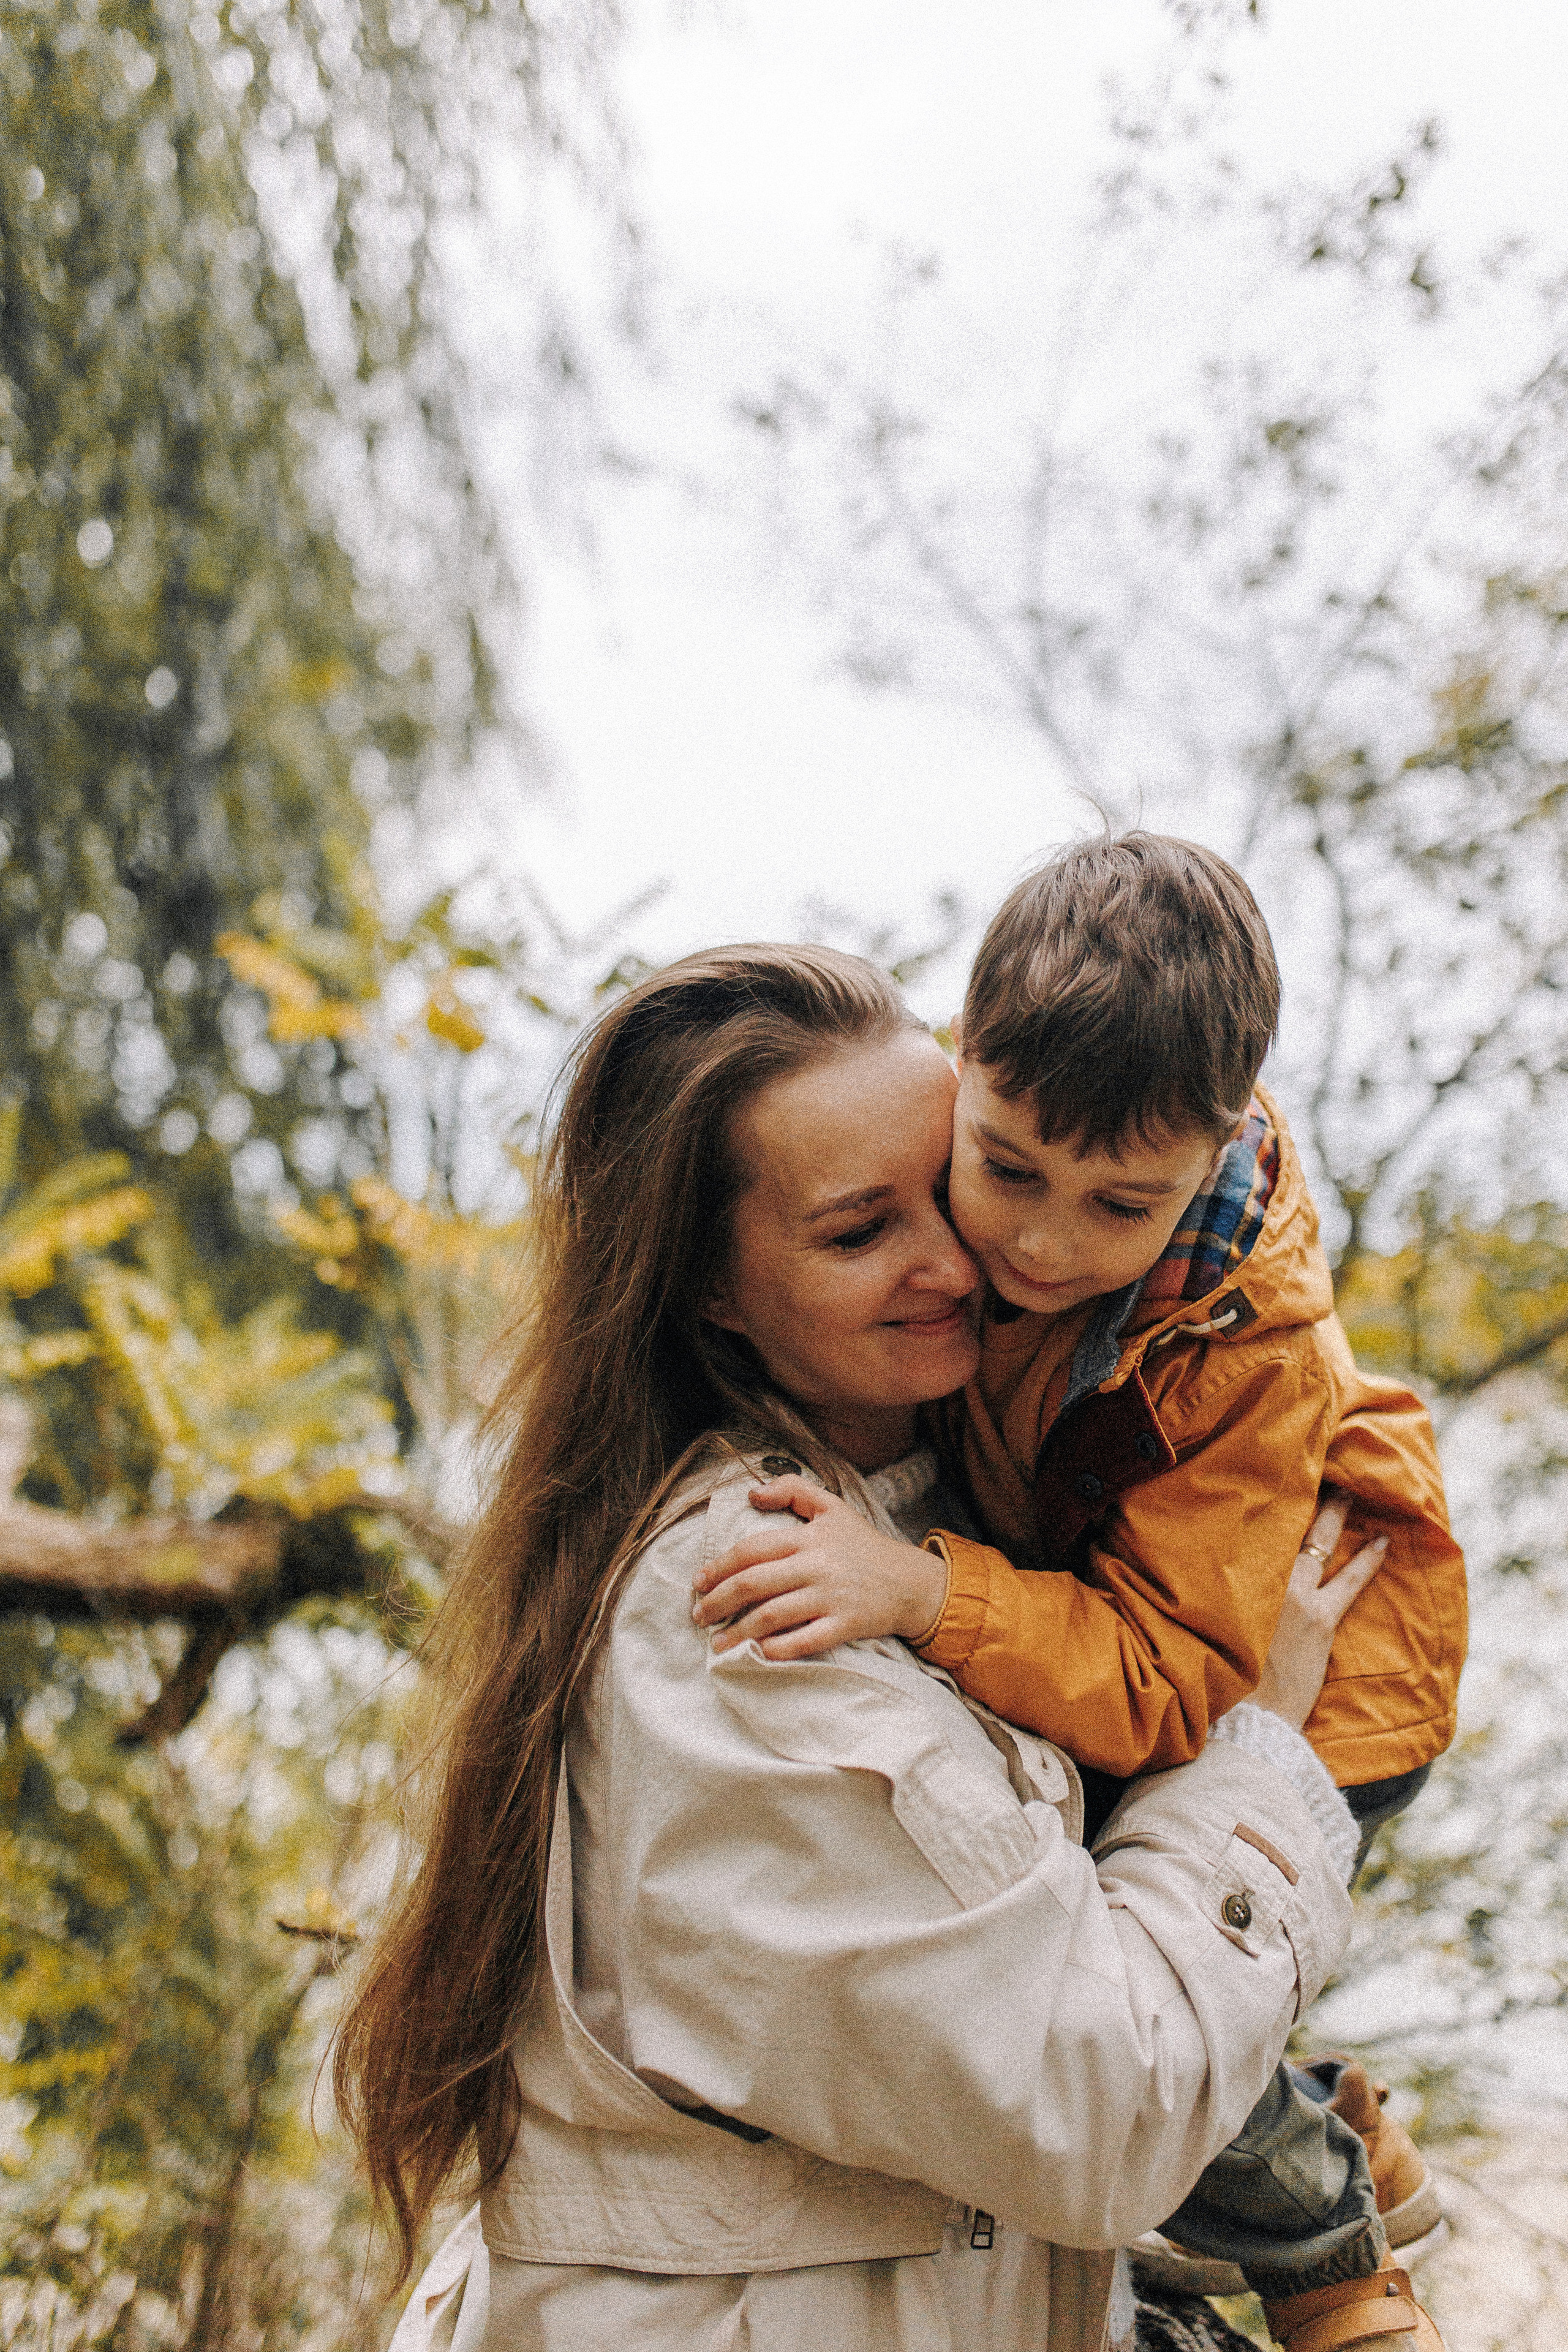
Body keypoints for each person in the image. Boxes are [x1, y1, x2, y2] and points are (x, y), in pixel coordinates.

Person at [334, 944, 1425, 2352]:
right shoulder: (748, 1607)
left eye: (951, 1186)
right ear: (711, 1292)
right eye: (859, 1233)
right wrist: (1261, 1750)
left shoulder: (945, 1499)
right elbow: (1101, 2104)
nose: (972, 1259)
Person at [691, 839, 1466, 2348]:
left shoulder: (1235, 1357)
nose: (1037, 1246)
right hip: (1145, 1630)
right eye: (1006, 1170)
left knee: (1117, 1990)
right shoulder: (943, 1163)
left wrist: (922, 1590)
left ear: (1218, 1141)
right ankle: (1347, 2138)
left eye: (1119, 1207)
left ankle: (1335, 2275)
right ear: (956, 1068)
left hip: (1323, 1680)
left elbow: (1172, 1678)